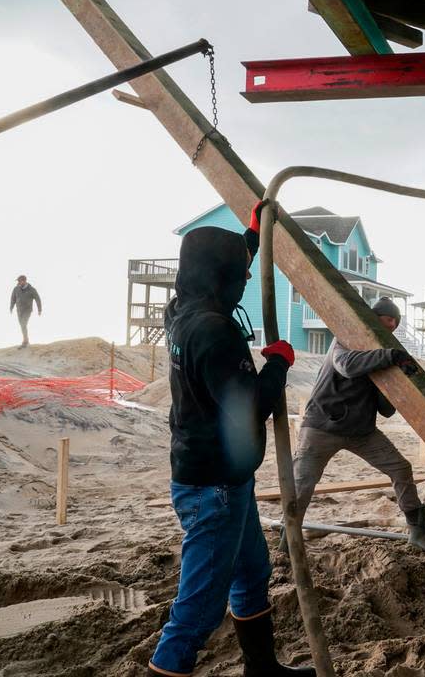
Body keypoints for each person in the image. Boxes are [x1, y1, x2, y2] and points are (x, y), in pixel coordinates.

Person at [148, 201, 313, 677]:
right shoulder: (216, 333)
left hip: (216, 476)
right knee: (197, 613)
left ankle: (261, 669)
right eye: (240, 275)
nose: (244, 282)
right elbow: (251, 409)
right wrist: (279, 362)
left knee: (251, 574)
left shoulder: (179, 310)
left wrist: (253, 235)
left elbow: (225, 264)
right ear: (225, 280)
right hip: (213, 488)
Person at [288, 296, 425, 555]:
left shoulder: (381, 361)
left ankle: (417, 531)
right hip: (321, 428)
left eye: (396, 322)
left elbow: (386, 410)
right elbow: (347, 367)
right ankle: (288, 537)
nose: (392, 325)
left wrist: (403, 387)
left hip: (361, 432)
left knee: (400, 468)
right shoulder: (344, 341)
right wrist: (391, 356)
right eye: (388, 319)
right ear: (372, 318)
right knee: (302, 484)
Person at [9, 275, 42, 348]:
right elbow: (13, 299)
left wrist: (39, 310)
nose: (18, 282)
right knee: (22, 325)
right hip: (19, 310)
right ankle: (26, 339)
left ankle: (25, 341)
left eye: (19, 281)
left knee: (23, 324)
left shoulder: (32, 289)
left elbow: (37, 299)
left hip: (27, 310)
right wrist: (11, 307)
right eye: (18, 281)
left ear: (24, 281)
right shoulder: (16, 289)